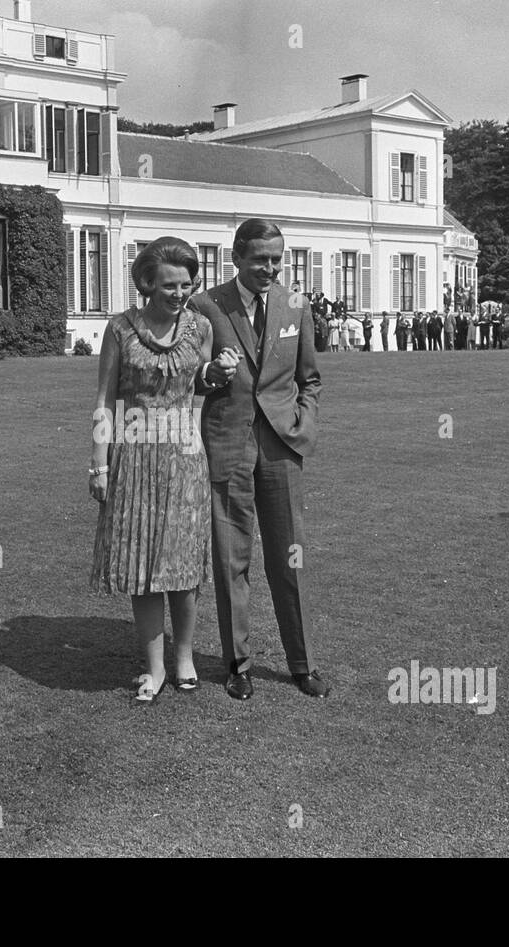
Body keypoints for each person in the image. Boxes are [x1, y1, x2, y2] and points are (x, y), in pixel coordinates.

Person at [90, 236, 236, 702]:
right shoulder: (119, 330)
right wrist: (99, 466)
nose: (179, 293)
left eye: (187, 284)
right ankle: (153, 668)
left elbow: (198, 385)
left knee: (184, 564)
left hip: (184, 457)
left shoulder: (199, 327)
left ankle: (185, 657)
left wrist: (217, 374)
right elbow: (104, 400)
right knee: (142, 564)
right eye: (170, 285)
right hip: (133, 457)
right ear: (146, 283)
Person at [191, 218, 328, 699]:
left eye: (277, 258)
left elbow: (309, 378)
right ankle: (238, 664)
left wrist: (303, 424)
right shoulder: (205, 306)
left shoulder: (296, 304)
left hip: (282, 447)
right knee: (232, 559)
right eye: (259, 260)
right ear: (236, 258)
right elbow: (191, 377)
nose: (270, 268)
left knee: (290, 557)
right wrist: (211, 374)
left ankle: (302, 663)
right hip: (228, 443)